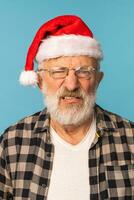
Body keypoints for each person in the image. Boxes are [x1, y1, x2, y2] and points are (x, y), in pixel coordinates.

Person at [0, 15, 134, 200]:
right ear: (40, 82)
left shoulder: (131, 139)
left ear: (97, 80)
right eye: (58, 71)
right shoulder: (11, 142)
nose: (71, 85)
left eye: (84, 71)